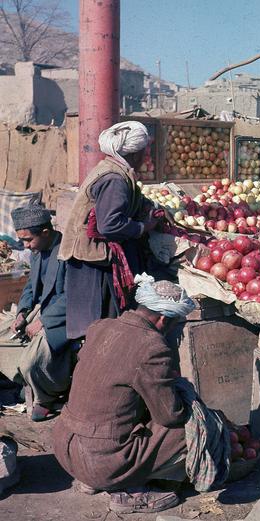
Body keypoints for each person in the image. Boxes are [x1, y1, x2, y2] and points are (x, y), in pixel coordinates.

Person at [53, 276, 198, 514]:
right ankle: (130, 490)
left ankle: (95, 478)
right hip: (100, 462)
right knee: (191, 428)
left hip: (65, 447)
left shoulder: (100, 327)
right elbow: (170, 416)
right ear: (163, 319)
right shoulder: (153, 348)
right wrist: (182, 392)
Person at [58, 121, 158, 341]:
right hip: (92, 260)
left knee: (99, 325)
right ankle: (96, 365)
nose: (146, 155)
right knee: (99, 325)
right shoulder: (114, 179)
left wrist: (147, 205)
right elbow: (110, 224)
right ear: (136, 153)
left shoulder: (114, 169)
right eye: (145, 150)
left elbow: (125, 202)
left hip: (93, 255)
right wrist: (143, 227)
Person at [6, 205, 72, 421]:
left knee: (31, 362)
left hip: (64, 317)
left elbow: (72, 297)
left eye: (28, 240)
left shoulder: (68, 252)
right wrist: (23, 312)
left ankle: (47, 397)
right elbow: (31, 288)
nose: (25, 246)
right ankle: (21, 379)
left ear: (45, 232)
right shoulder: (37, 251)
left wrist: (43, 321)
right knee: (4, 333)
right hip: (41, 310)